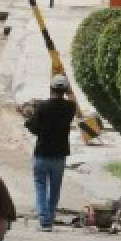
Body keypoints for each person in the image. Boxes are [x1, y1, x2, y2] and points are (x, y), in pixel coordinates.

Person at [25, 73, 77, 231]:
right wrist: (69, 90)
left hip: (42, 153)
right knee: (55, 188)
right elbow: (72, 99)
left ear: (50, 88)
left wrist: (28, 119)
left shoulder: (42, 107)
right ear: (65, 89)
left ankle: (45, 221)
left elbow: (34, 129)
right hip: (59, 156)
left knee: (40, 186)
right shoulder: (70, 108)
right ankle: (50, 217)